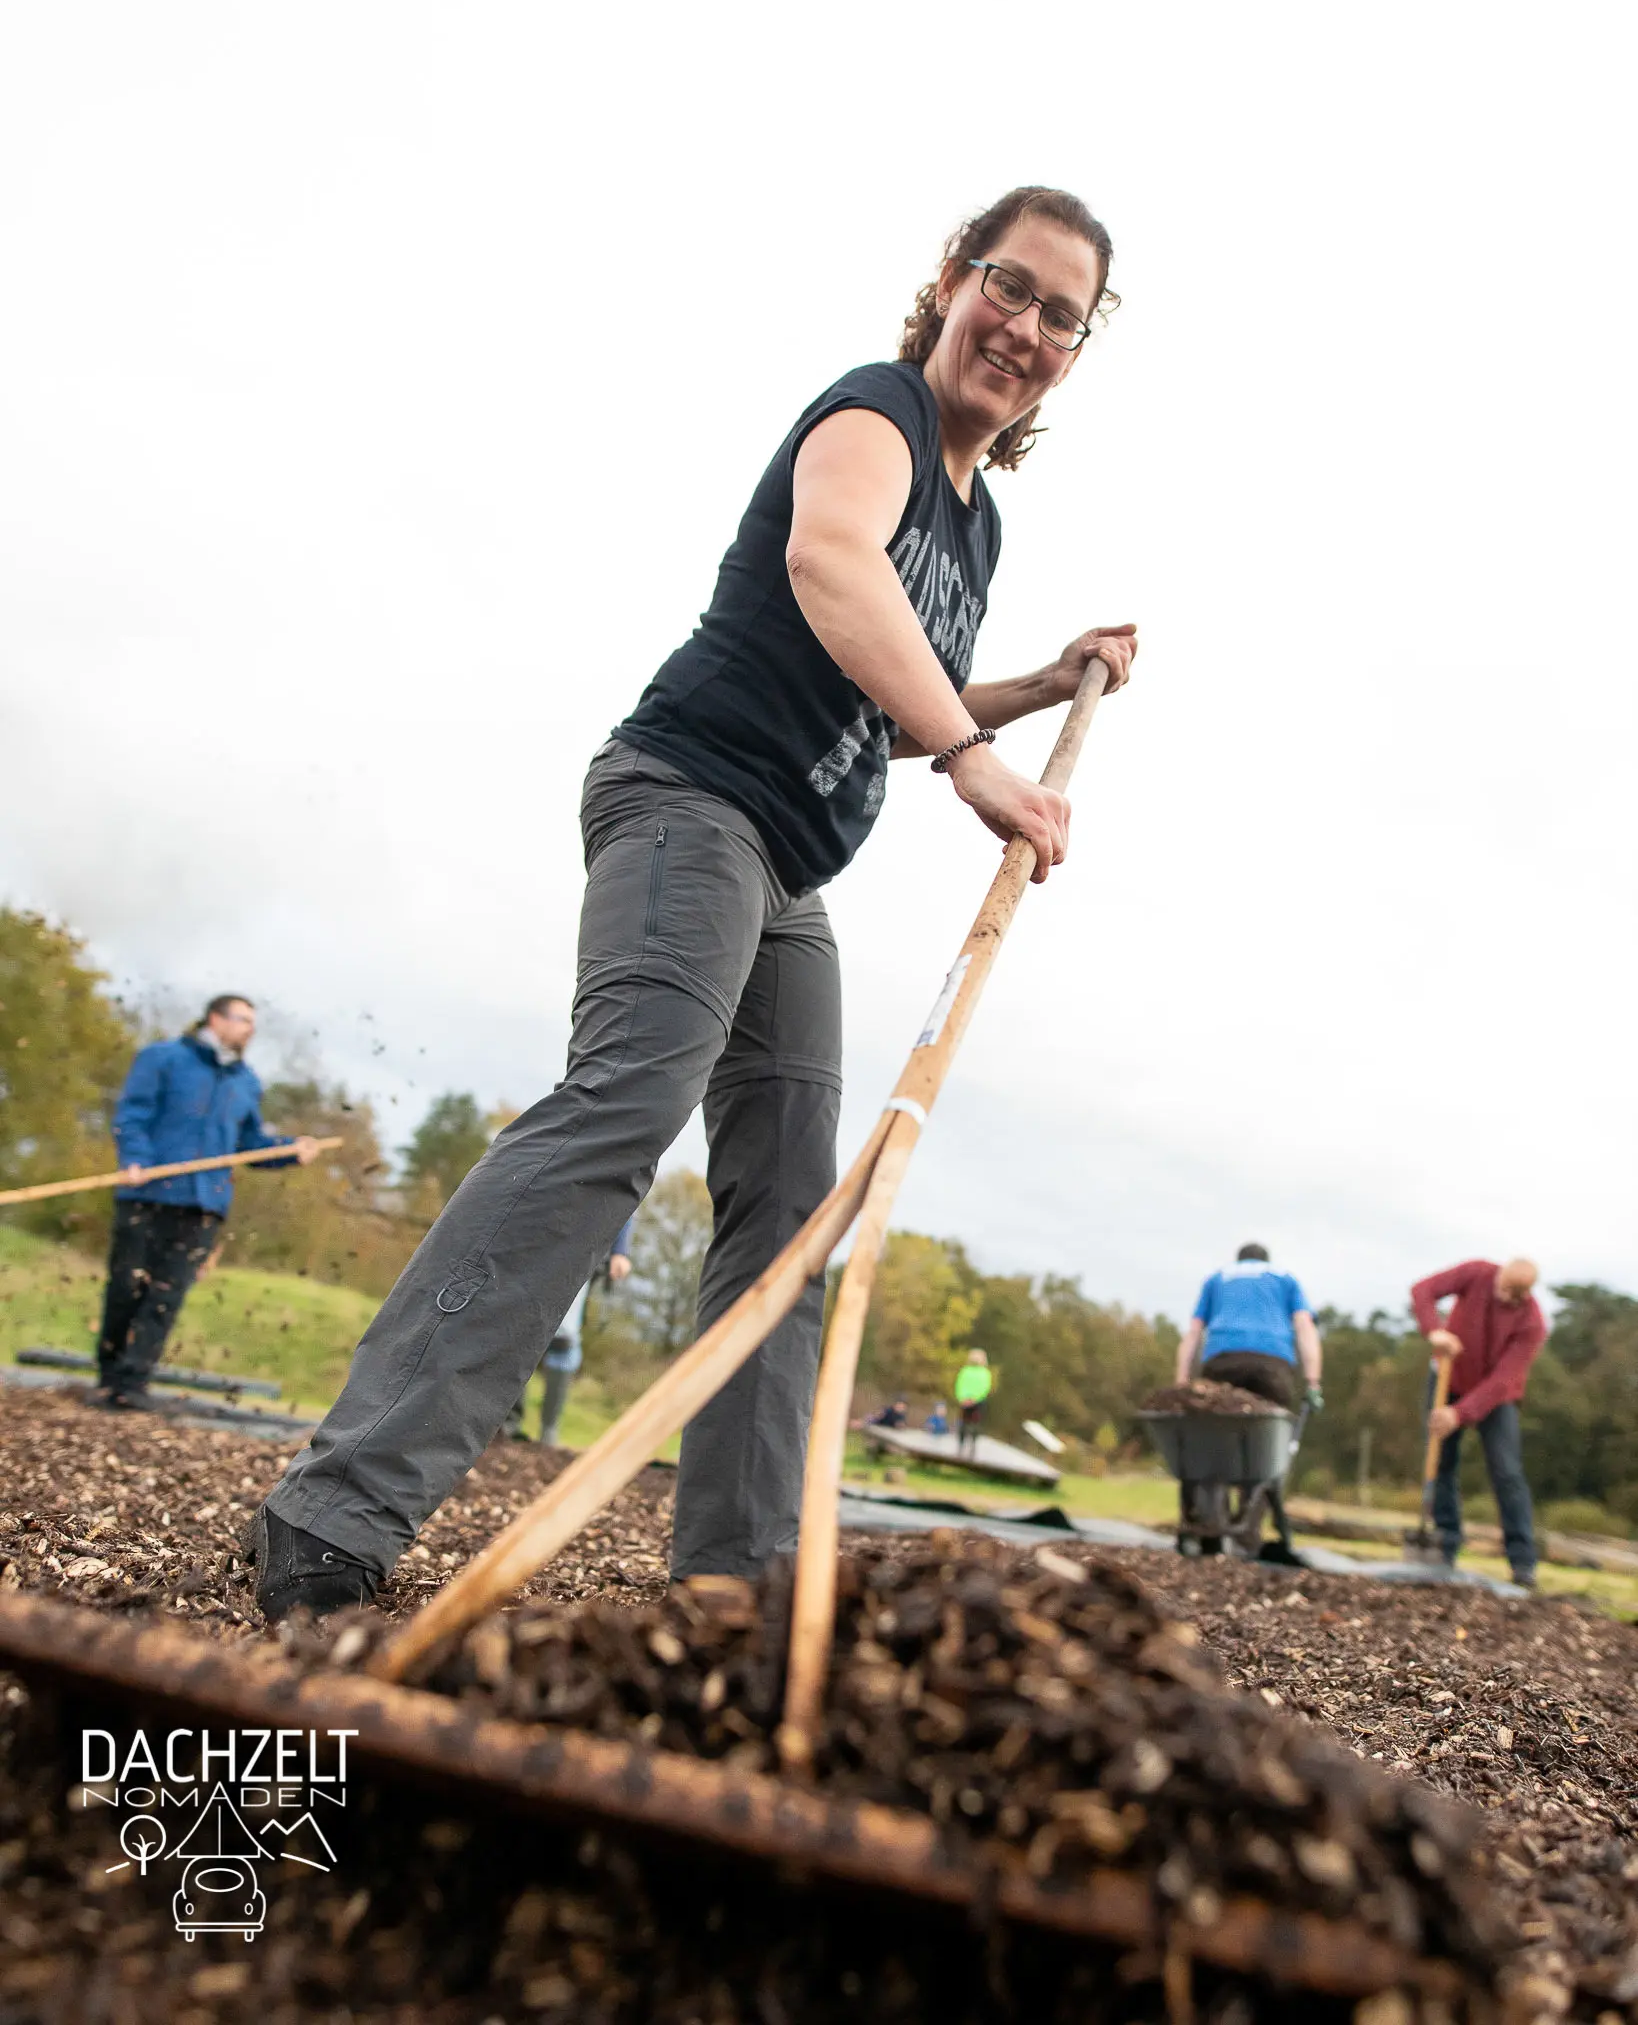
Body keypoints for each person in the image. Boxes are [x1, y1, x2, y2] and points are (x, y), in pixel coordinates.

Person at [253, 183, 1136, 1622]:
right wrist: (985, 765)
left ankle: (736, 1571)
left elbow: (894, 700)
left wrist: (1033, 688)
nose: (1024, 325)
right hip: (688, 796)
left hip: (787, 866)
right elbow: (829, 567)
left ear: (1075, 353)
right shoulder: (871, 418)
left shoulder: (976, 534)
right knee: (622, 1105)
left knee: (792, 1197)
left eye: (1060, 313)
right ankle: (336, 1505)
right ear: (952, 280)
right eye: (1008, 284)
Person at [97, 996, 322, 1410]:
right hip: (149, 1193)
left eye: (254, 1023)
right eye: (243, 1020)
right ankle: (109, 1377)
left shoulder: (245, 1082)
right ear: (215, 1019)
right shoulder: (162, 1058)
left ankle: (132, 1386)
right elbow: (133, 1114)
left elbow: (249, 1145)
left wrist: (291, 1150)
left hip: (204, 1205)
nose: (249, 1029)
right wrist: (135, 1159)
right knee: (128, 1287)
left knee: (166, 1296)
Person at [1411, 1257, 1546, 1589]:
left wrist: (1459, 1414)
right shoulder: (1477, 1273)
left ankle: (1522, 1562)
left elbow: (1502, 1380)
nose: (1500, 1292)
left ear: (1523, 1295)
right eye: (1501, 1284)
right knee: (1442, 1465)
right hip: (1448, 1379)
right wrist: (1435, 1331)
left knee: (1507, 1472)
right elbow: (1423, 1290)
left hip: (1496, 1400)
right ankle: (1444, 1547)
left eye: (1510, 1292)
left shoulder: (1532, 1323)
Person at [504, 1217, 634, 1443]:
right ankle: (507, 1423)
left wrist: (620, 1250)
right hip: (541, 1237)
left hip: (584, 1246)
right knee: (519, 1327)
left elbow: (627, 1192)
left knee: (564, 1335)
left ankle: (548, 1432)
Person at [1176, 1243, 1323, 1411]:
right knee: (1270, 1418)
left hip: (1222, 1363)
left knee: (1218, 1419)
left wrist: (1181, 1381)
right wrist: (1313, 1382)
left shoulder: (1216, 1279)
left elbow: (1194, 1332)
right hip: (1272, 1364)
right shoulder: (1286, 1279)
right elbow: (1304, 1326)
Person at [954, 1349, 994, 1454]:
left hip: (976, 1402)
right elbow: (960, 1385)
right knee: (964, 1424)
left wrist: (972, 1399)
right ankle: (961, 1445)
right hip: (969, 1401)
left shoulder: (984, 1373)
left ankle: (972, 1446)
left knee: (973, 1424)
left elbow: (984, 1388)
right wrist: (964, 1398)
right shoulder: (966, 1371)